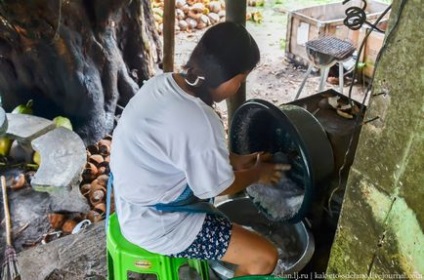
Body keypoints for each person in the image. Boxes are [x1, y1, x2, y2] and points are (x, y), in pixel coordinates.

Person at [109, 21, 289, 277]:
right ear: (228, 77)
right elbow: (215, 187)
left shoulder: (164, 83)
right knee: (264, 257)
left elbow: (183, 146)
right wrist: (258, 174)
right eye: (240, 81)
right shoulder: (200, 118)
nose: (238, 88)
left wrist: (237, 160)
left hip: (132, 204)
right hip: (157, 223)